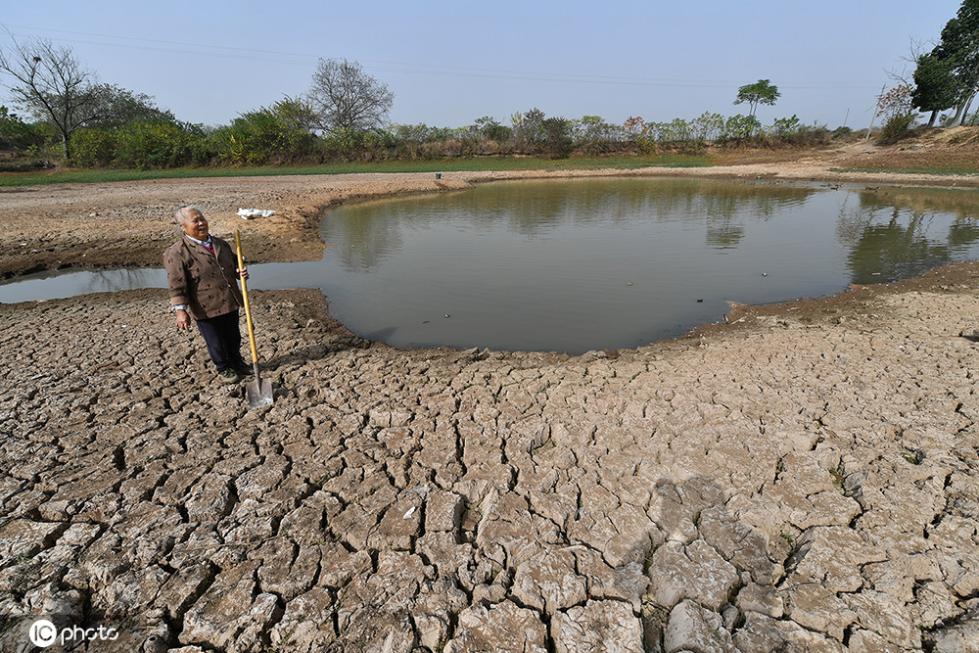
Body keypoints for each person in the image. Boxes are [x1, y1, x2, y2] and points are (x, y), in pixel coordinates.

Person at [163, 205, 252, 383]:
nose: (201, 223)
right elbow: (176, 284)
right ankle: (224, 367)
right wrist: (181, 311)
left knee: (234, 336)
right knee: (216, 341)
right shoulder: (176, 252)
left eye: (202, 218)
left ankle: (237, 362)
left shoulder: (220, 244)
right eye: (195, 221)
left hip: (229, 299)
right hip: (205, 306)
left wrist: (238, 271)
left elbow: (233, 263)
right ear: (183, 226)